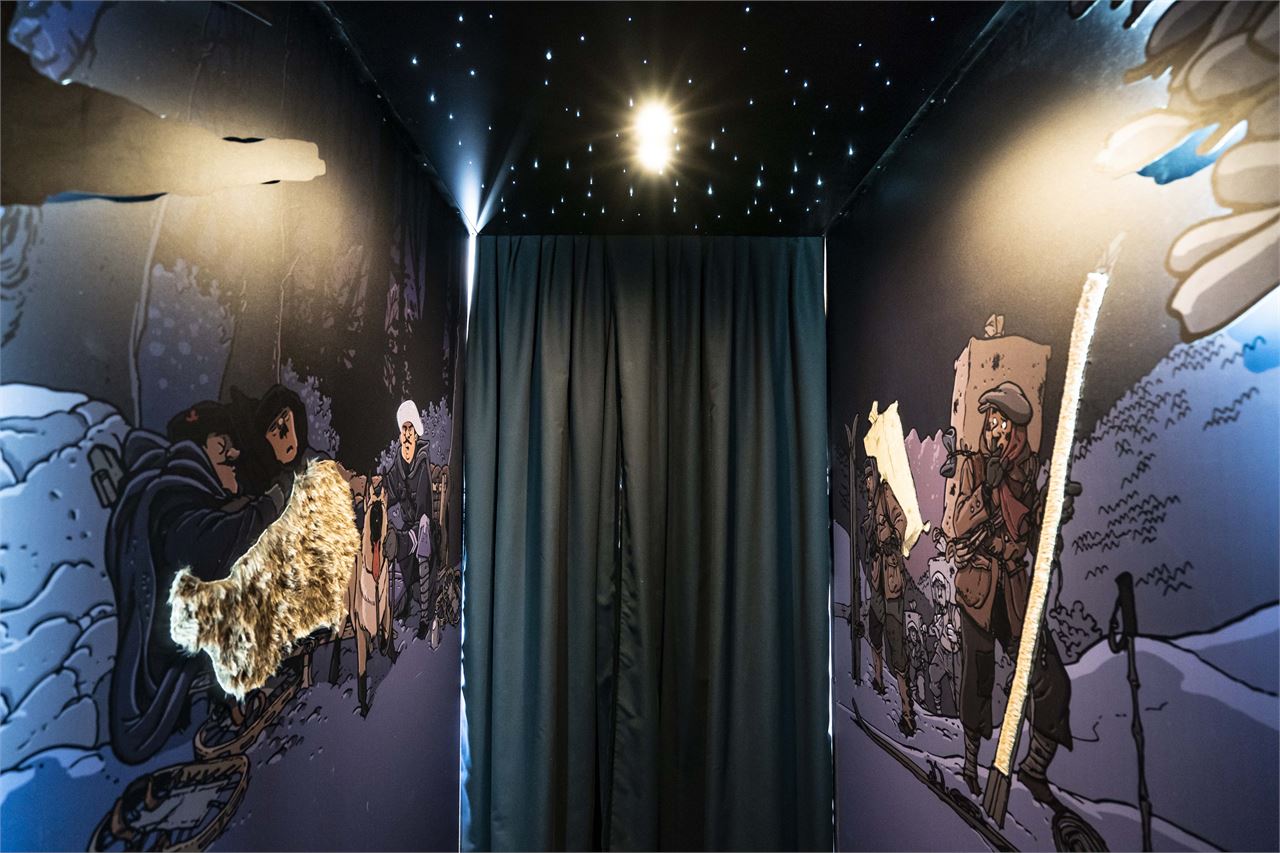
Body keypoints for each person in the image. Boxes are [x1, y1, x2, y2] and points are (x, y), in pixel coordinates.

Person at [106, 401, 291, 764]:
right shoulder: (172, 500)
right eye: (223, 444)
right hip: (167, 685)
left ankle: (234, 704)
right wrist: (273, 502)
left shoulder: (173, 493)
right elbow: (214, 548)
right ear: (196, 451)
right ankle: (233, 708)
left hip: (181, 662)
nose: (234, 453)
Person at [948, 381, 1072, 803]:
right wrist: (985, 491)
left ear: (1016, 430)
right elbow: (958, 523)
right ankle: (969, 764)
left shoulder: (1027, 472)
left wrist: (1052, 515)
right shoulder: (975, 466)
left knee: (1049, 679)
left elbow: (1034, 539)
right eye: (990, 421)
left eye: (1001, 423)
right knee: (977, 680)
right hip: (979, 592)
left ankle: (1034, 768)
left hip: (1015, 595)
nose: (993, 430)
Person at [860, 456, 917, 737]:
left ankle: (907, 711)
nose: (866, 484)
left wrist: (893, 537)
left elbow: (901, 519)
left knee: (897, 644)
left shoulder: (885, 494)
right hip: (877, 582)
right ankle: (879, 681)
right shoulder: (871, 507)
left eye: (868, 478)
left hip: (892, 582)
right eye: (865, 480)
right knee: (875, 630)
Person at [384, 399, 436, 642]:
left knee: (421, 549)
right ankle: (403, 602)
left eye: (410, 429)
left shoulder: (422, 464)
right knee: (399, 547)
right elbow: (389, 491)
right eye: (403, 429)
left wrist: (412, 536)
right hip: (408, 526)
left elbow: (425, 510)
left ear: (416, 434)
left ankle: (425, 618)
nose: (406, 434)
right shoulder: (398, 465)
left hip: (424, 525)